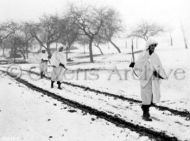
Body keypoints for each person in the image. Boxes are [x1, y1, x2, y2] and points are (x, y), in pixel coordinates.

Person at [129, 39, 167, 121]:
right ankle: (145, 114)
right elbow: (138, 66)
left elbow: (159, 66)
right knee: (145, 96)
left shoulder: (155, 56)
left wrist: (159, 74)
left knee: (152, 96)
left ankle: (147, 112)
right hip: (145, 79)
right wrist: (133, 65)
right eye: (152, 45)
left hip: (153, 80)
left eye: (154, 46)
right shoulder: (143, 55)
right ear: (148, 46)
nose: (153, 47)